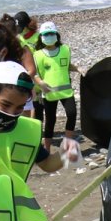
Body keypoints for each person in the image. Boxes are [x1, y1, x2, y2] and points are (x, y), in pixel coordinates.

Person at [0, 61, 79, 221]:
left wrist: (69, 152)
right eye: (5, 104)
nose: (11, 113)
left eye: (19, 107)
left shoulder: (28, 131)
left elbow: (47, 164)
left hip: (8, 215)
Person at [33, 21, 79, 149]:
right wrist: (40, 83)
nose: (49, 36)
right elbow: (34, 74)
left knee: (72, 113)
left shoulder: (65, 49)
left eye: (51, 34)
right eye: (46, 34)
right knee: (50, 120)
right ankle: (47, 148)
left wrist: (79, 69)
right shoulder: (38, 55)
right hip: (49, 93)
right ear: (41, 37)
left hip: (66, 91)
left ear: (56, 35)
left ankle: (68, 145)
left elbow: (67, 66)